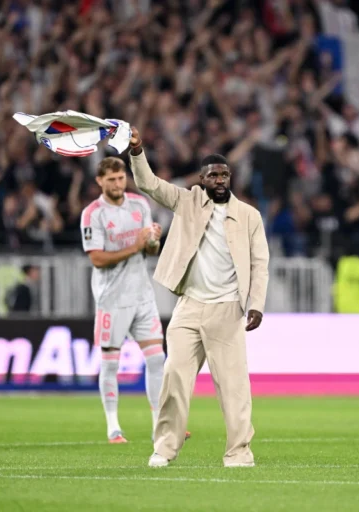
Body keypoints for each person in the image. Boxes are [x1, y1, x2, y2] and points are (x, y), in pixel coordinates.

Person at [128, 127, 269, 468]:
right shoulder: (187, 201)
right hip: (189, 307)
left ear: (229, 177)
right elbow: (149, 184)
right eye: (212, 175)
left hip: (226, 309)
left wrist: (256, 306)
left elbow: (259, 263)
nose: (219, 180)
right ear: (201, 179)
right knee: (174, 378)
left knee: (234, 388)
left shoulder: (249, 215)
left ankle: (239, 453)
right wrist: (136, 152)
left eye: (224, 175)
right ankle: (164, 448)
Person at [80, 156, 186, 443]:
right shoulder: (93, 215)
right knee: (111, 364)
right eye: (111, 179)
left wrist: (152, 242)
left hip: (142, 296)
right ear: (99, 181)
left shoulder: (139, 204)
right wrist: (135, 245)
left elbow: (149, 250)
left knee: (157, 360)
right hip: (111, 299)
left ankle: (158, 426)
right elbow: (98, 258)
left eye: (121, 178)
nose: (117, 183)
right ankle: (113, 426)